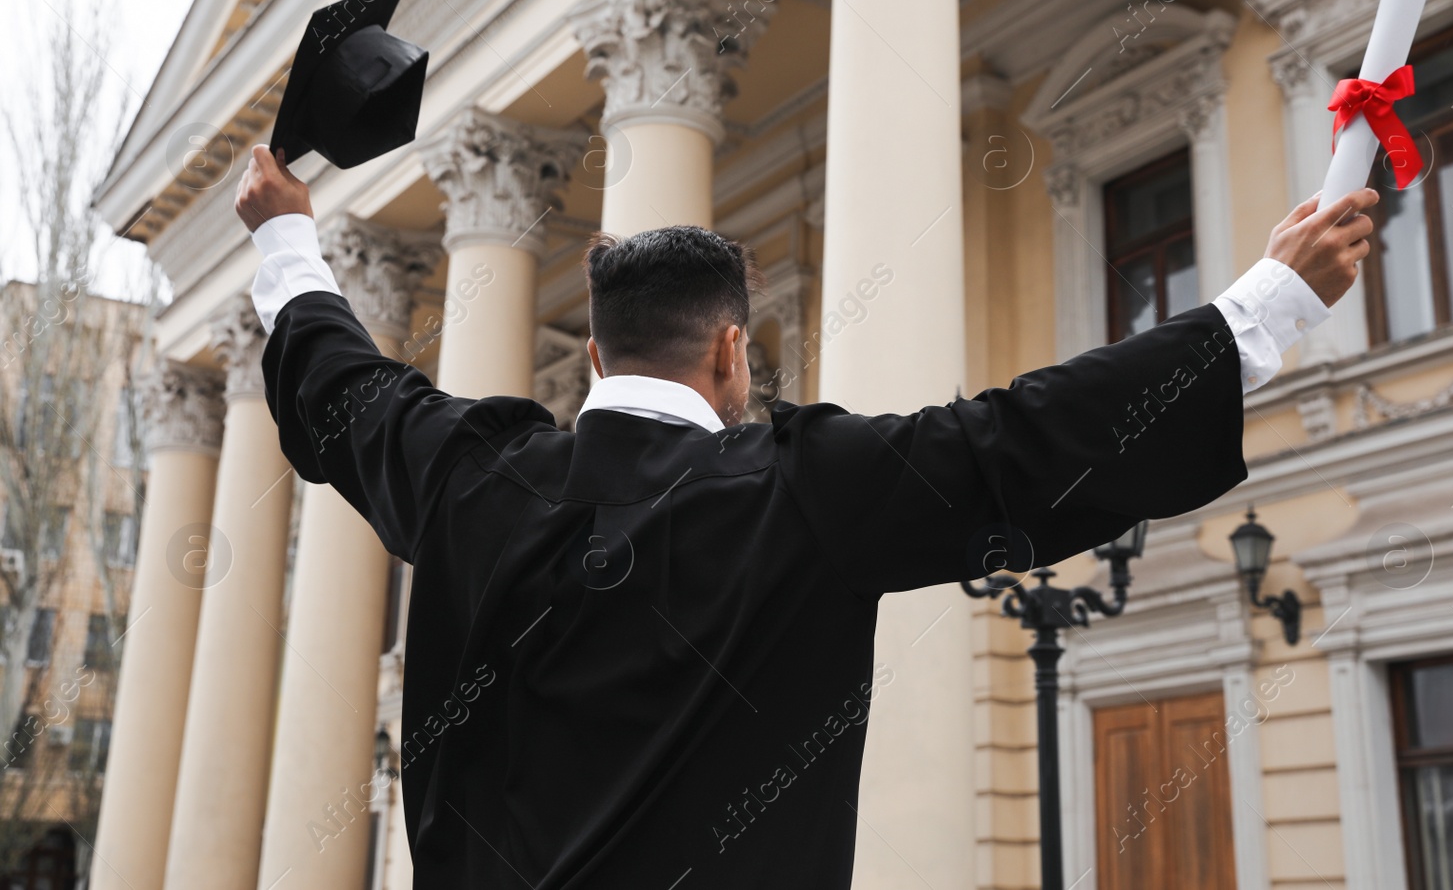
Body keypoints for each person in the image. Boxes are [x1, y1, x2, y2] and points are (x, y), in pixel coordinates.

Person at [235, 144, 1377, 889]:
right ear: (733, 350)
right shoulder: (803, 486)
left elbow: (343, 388)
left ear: (594, 353)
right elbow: (1022, 441)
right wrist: (1265, 302)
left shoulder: (465, 474)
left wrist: (285, 232)